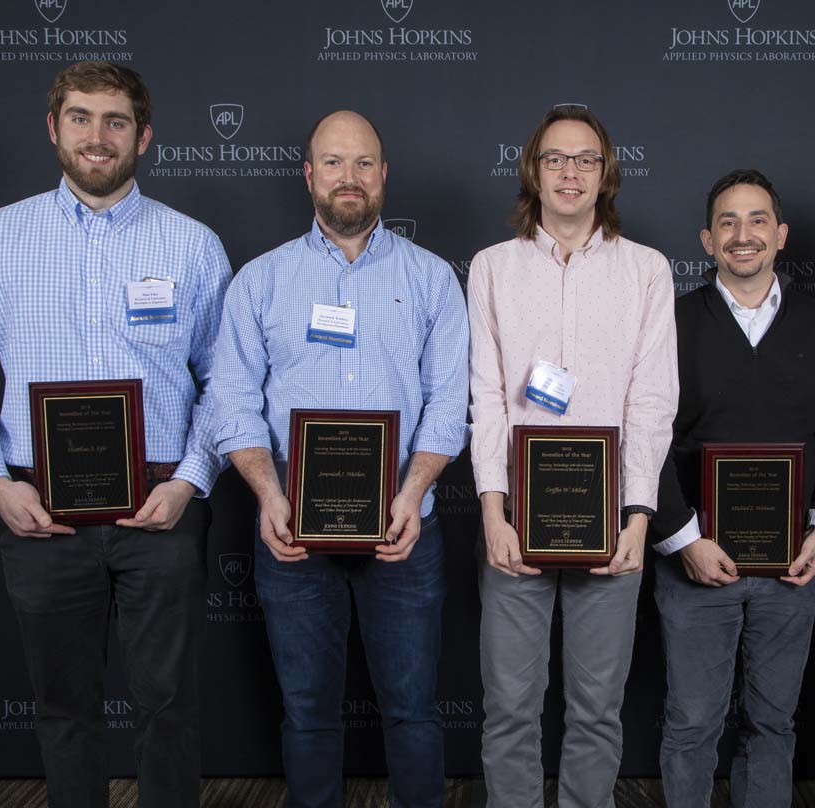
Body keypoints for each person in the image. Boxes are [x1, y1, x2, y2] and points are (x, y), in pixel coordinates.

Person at [0, 62, 231, 808]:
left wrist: (191, 480)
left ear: (145, 135)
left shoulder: (192, 246)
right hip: (36, 509)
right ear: (53, 128)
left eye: (116, 121)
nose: (98, 137)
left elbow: (228, 380)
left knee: (167, 707)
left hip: (162, 504)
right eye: (81, 118)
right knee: (63, 709)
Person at [208, 110, 468, 808]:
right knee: (308, 711)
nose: (347, 178)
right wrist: (268, 494)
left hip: (404, 532)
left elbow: (448, 404)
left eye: (362, 164)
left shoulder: (433, 279)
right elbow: (230, 402)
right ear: (309, 174)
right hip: (291, 531)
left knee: (413, 709)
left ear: (383, 176)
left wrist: (412, 493)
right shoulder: (260, 282)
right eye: (332, 162)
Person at [467, 105, 678, 807]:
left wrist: (639, 517)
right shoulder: (492, 268)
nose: (570, 172)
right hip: (513, 524)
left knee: (595, 711)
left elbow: (651, 402)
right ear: (533, 168)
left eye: (585, 159)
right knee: (510, 709)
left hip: (611, 525)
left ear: (606, 173)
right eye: (555, 158)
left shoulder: (646, 271)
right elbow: (487, 397)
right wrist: (492, 512)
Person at [649, 169, 815, 808]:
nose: (744, 235)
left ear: (781, 234)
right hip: (695, 560)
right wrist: (684, 539)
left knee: (772, 724)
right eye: (729, 223)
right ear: (708, 240)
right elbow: (645, 437)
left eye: (758, 220)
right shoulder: (669, 322)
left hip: (792, 564)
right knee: (691, 725)